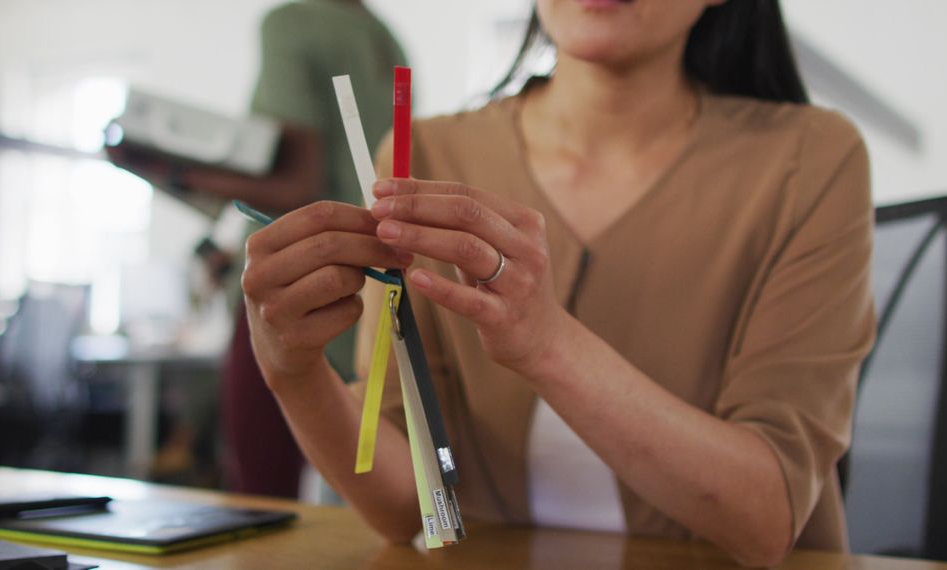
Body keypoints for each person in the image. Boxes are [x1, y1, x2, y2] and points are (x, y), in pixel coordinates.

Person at [240, 0, 875, 565]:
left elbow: (765, 518)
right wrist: (293, 374)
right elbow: (411, 505)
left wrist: (545, 344)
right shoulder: (422, 156)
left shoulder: (811, 159)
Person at [108, 0, 406, 496]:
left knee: (261, 499)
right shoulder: (385, 38)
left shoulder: (289, 23)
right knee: (361, 492)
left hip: (292, 295)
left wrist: (169, 170)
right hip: (372, 298)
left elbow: (295, 184)